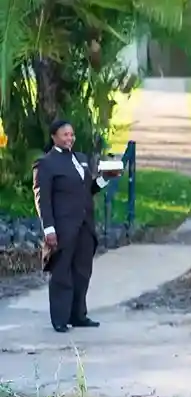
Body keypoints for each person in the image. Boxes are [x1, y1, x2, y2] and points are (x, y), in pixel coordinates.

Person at [33, 120, 120, 333]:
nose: (69, 138)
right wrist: (49, 229)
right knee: (62, 271)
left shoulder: (80, 159)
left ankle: (78, 315)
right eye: (65, 135)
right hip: (63, 226)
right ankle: (60, 319)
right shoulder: (46, 163)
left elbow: (87, 189)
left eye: (71, 134)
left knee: (82, 271)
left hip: (84, 225)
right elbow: (42, 199)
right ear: (54, 136)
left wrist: (105, 179)